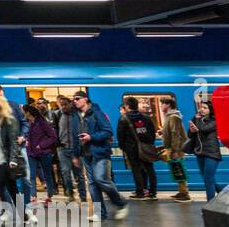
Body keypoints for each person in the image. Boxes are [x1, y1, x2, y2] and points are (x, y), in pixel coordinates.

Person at [72, 91, 129, 220]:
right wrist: (75, 155)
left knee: (101, 179)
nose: (75, 101)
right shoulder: (76, 117)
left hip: (100, 152)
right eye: (73, 99)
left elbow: (108, 131)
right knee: (92, 184)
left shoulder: (97, 113)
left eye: (77, 98)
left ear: (86, 99)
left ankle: (121, 203)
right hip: (85, 154)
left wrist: (91, 137)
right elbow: (75, 137)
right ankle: (99, 213)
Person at [0, 97, 29, 227]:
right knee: (13, 190)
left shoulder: (9, 120)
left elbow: (13, 141)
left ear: (0, 105)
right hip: (0, 160)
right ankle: (25, 217)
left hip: (7, 161)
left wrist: (13, 160)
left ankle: (7, 212)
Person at [24, 104, 59, 205]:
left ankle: (49, 197)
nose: (24, 115)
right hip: (31, 153)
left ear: (29, 113)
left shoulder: (42, 122)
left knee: (48, 175)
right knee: (32, 175)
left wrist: (41, 145)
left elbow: (53, 137)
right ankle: (33, 196)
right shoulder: (29, 123)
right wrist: (27, 141)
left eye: (24, 113)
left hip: (44, 153)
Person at [53, 95, 87, 202]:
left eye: (65, 105)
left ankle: (83, 196)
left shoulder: (76, 115)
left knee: (79, 174)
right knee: (65, 172)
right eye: (61, 105)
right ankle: (70, 194)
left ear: (70, 104)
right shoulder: (57, 114)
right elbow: (54, 129)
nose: (63, 107)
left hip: (75, 148)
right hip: (62, 149)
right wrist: (57, 143)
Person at [188, 100, 223, 201]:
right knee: (208, 178)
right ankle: (224, 194)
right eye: (201, 107)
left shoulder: (214, 121)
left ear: (210, 110)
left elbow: (203, 129)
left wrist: (197, 119)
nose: (201, 109)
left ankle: (210, 203)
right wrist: (191, 129)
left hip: (211, 153)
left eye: (205, 108)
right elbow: (189, 135)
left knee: (208, 179)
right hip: (200, 152)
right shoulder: (197, 119)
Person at [160, 97, 192, 202]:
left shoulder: (173, 117)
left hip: (176, 149)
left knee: (179, 169)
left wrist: (174, 150)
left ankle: (185, 194)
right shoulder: (170, 117)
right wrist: (163, 131)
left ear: (168, 105)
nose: (161, 106)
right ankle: (182, 191)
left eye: (162, 104)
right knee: (176, 169)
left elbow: (176, 134)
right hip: (174, 148)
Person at [135, 98, 160, 200]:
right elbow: (152, 133)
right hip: (148, 146)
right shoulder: (148, 119)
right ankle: (152, 191)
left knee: (143, 170)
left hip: (140, 147)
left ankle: (143, 190)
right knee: (149, 170)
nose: (142, 107)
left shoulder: (137, 119)